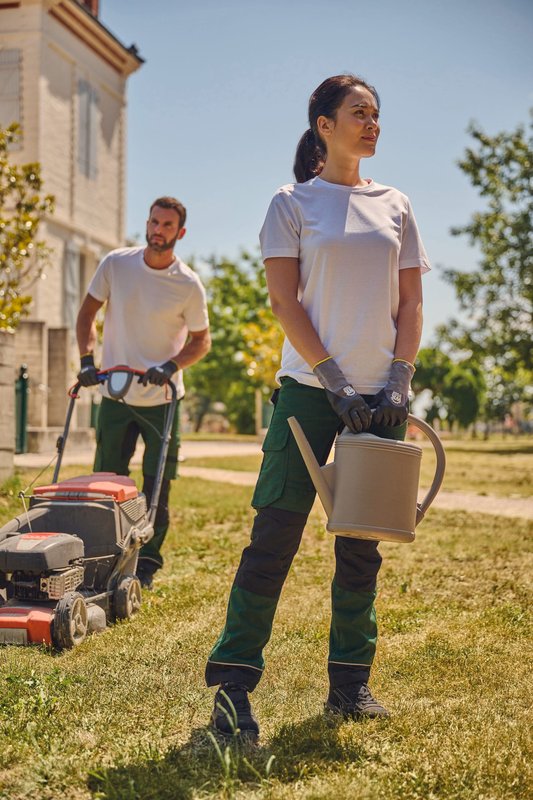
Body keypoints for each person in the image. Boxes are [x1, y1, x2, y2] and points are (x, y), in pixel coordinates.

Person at [205, 74, 430, 740]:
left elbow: (411, 302)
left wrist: (398, 378)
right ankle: (232, 687)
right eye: (359, 113)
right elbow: (284, 301)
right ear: (324, 125)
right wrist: (330, 378)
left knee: (361, 546)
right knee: (273, 537)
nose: (372, 123)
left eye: (376, 114)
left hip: (380, 398)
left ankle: (350, 684)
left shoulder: (396, 204)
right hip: (309, 392)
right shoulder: (291, 203)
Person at [76, 196, 211, 589]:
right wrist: (87, 361)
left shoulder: (188, 284)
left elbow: (201, 341)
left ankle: (147, 564)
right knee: (105, 480)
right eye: (154, 222)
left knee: (157, 485)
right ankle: (101, 552)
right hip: (116, 393)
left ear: (180, 233)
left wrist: (171, 366)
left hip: (162, 399)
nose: (157, 231)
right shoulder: (116, 264)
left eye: (167, 225)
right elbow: (87, 314)